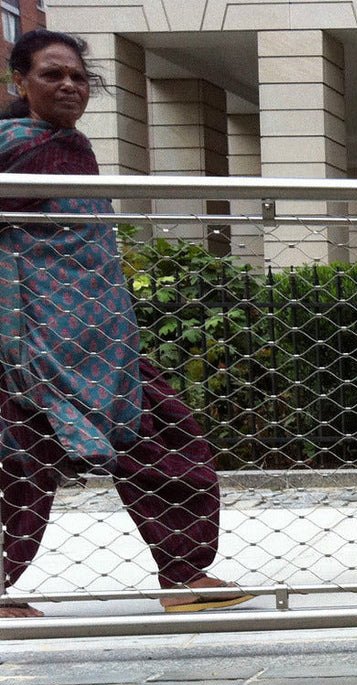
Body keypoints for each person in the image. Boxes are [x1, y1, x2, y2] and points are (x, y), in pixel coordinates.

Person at [0, 29, 251, 618]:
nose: (68, 85)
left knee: (170, 442)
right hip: (29, 344)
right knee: (17, 467)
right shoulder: (14, 149)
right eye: (51, 74)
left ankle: (183, 575)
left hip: (100, 340)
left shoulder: (73, 147)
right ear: (20, 81)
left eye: (78, 77)